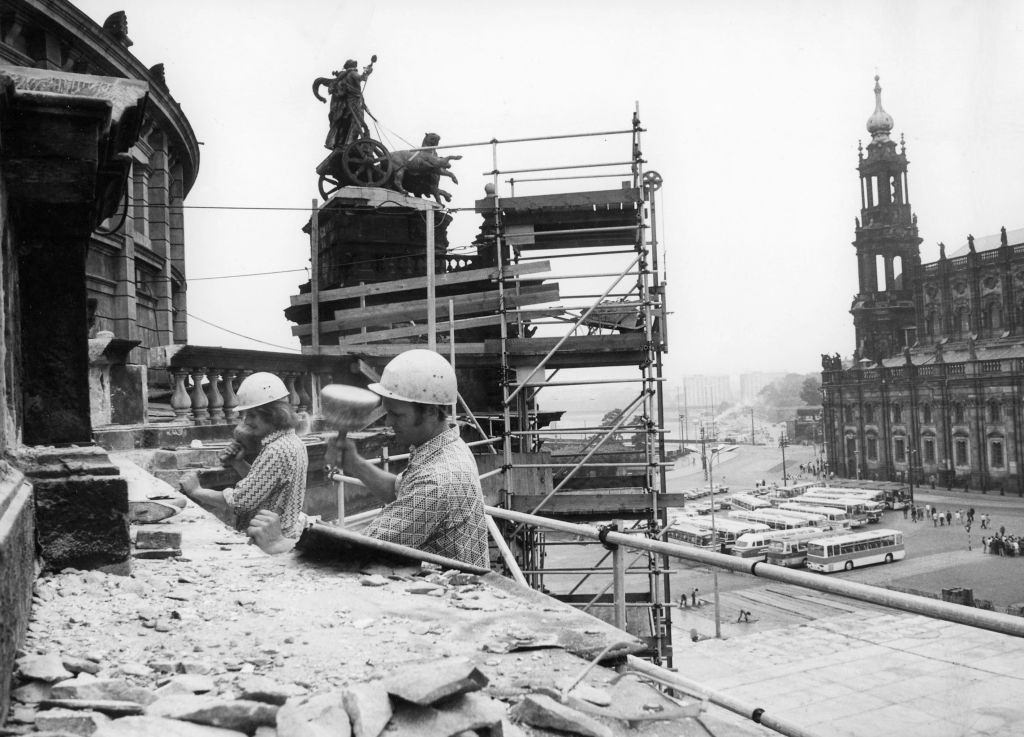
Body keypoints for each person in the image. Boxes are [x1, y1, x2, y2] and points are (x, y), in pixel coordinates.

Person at [249, 350, 490, 568]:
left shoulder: (437, 482)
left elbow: (365, 548)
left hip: (449, 600)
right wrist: (355, 463)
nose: (388, 423)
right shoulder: (447, 446)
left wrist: (282, 544)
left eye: (396, 414)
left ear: (429, 411)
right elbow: (402, 490)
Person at [180, 372, 308, 540]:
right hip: (281, 535)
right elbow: (263, 485)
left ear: (274, 415)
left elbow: (239, 502)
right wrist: (237, 463)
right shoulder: (293, 441)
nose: (247, 421)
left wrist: (196, 490)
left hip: (268, 540)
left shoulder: (275, 450)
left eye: (253, 415)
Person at [318, 59, 373, 150]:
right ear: (353, 66)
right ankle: (350, 144)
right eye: (355, 65)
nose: (356, 67)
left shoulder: (345, 76)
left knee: (347, 123)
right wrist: (367, 71)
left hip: (349, 104)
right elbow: (362, 78)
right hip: (355, 103)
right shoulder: (352, 73)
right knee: (358, 123)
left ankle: (342, 143)